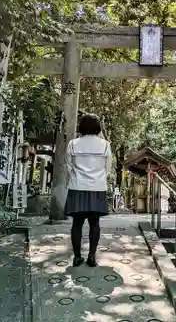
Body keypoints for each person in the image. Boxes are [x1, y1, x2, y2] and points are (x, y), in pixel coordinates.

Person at [64, 113, 112, 267]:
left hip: (77, 186)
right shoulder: (105, 145)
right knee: (94, 223)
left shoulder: (73, 143)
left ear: (81, 127)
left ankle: (77, 257)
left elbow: (68, 166)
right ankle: (92, 256)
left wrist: (77, 177)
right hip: (97, 188)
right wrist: (98, 178)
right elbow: (108, 168)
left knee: (77, 224)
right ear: (98, 127)